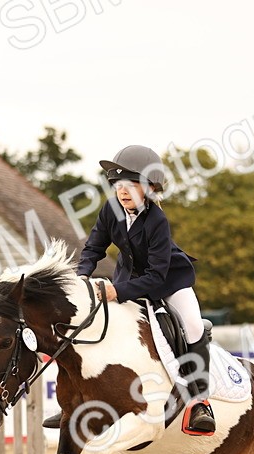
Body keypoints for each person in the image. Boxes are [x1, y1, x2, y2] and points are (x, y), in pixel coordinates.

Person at [75, 145, 214, 435]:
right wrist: (81, 277)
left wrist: (116, 292)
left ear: (149, 188)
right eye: (118, 185)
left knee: (192, 326)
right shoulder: (111, 209)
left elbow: (155, 277)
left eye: (131, 185)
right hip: (127, 279)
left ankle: (200, 403)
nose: (122, 191)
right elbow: (93, 248)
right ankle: (81, 401)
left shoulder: (157, 221)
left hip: (168, 281)